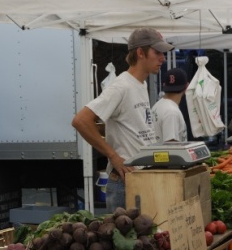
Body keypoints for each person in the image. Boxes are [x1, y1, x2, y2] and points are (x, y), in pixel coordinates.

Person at [71, 27, 173, 212]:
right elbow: (81, 120)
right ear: (140, 53)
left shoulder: (140, 85)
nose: (162, 58)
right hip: (125, 185)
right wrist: (113, 156)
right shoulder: (121, 86)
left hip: (140, 180)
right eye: (157, 52)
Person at [150, 68, 189, 143]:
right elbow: (171, 148)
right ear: (187, 86)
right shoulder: (172, 112)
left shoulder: (158, 105)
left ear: (164, 85)